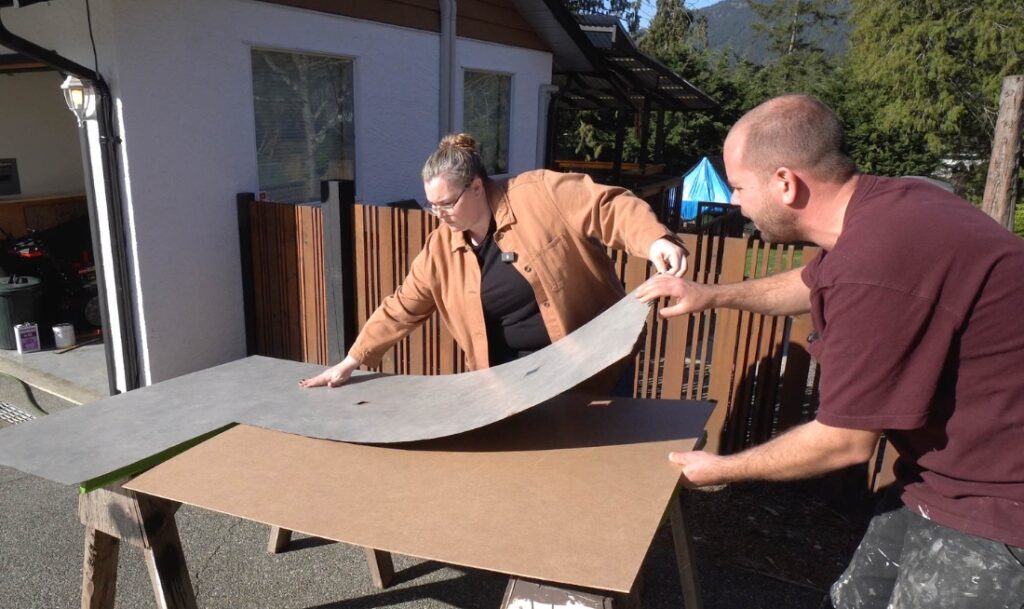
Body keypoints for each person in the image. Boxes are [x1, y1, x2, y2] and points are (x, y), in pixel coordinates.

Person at [636, 95, 1024, 608]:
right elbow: (812, 280)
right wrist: (710, 294)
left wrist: (722, 468)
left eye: (738, 187)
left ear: (784, 183)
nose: (735, 202)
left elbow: (844, 442)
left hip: (1000, 503)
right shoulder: (889, 205)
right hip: (940, 478)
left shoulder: (878, 262)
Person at [301, 133, 687, 390]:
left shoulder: (539, 194)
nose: (439, 215)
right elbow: (400, 308)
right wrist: (352, 360)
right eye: (431, 205)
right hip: (514, 382)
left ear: (476, 187)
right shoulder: (440, 250)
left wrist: (654, 240)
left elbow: (608, 207)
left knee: (600, 470)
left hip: (593, 368)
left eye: (447, 203)